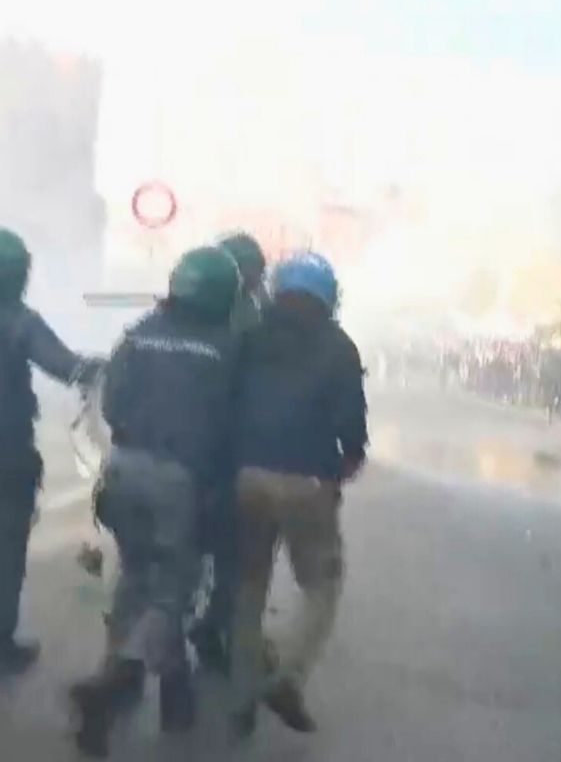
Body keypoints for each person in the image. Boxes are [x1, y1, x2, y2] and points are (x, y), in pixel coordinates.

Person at [69, 246, 241, 758]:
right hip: (179, 480)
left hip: (122, 470)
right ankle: (118, 677)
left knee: (134, 580)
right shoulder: (225, 348)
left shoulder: (141, 332)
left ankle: (158, 690)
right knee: (172, 592)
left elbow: (113, 400)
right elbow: (230, 426)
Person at [228, 251, 367, 739]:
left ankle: (240, 697)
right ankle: (287, 676)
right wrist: (345, 466)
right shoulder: (339, 346)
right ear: (328, 297)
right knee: (321, 588)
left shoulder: (249, 336)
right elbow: (352, 427)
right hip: (308, 481)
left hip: (244, 475)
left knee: (246, 589)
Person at [0, 227, 101, 675]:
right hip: (7, 453)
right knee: (6, 546)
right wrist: (108, 365)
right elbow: (66, 366)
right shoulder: (20, 321)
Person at [189, 230, 269, 674]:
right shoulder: (252, 319)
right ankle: (211, 626)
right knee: (232, 557)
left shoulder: (191, 310)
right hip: (232, 452)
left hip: (190, 449)